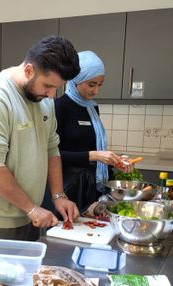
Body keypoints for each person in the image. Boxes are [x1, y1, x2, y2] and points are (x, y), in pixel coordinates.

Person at [0, 36, 81, 283]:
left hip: (28, 213)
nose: (51, 94)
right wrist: (31, 208)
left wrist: (58, 196)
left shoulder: (44, 101)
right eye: (48, 86)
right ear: (28, 70)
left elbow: (52, 148)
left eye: (57, 88)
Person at [52, 50, 133, 212]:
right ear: (76, 80)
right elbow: (52, 155)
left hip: (93, 187)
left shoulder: (92, 107)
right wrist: (94, 155)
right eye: (91, 84)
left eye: (100, 85)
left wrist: (114, 160)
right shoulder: (59, 107)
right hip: (69, 189)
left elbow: (91, 146)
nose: (96, 91)